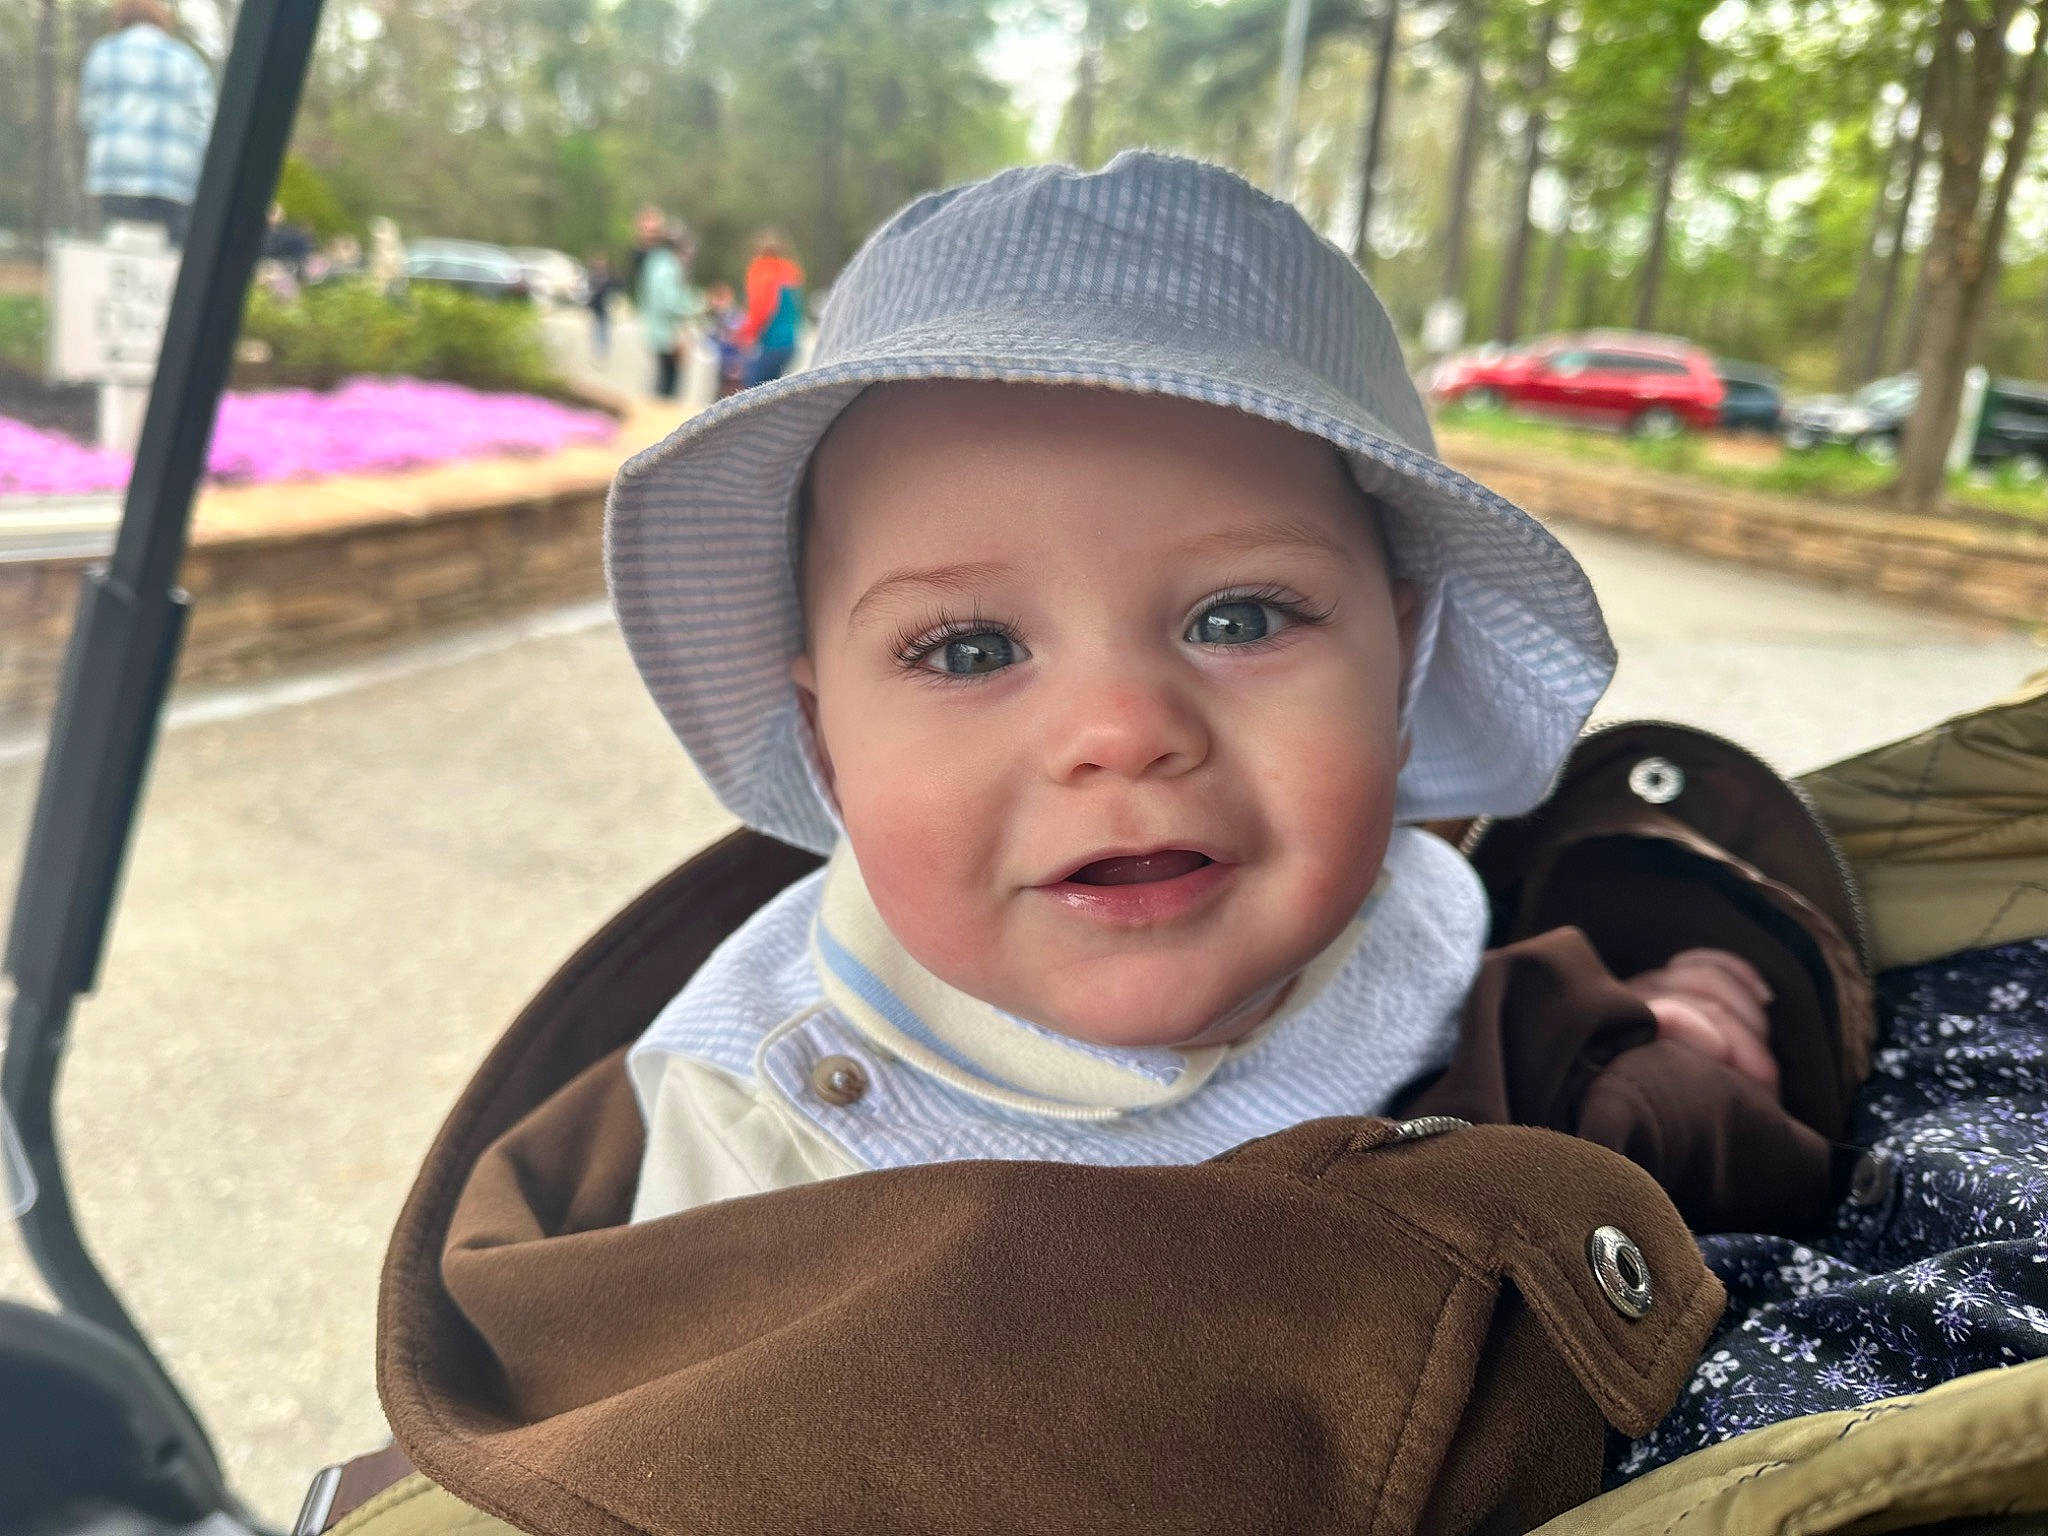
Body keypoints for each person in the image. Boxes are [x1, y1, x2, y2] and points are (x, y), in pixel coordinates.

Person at [354, 155, 1897, 1535]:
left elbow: (1551, 1100)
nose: (1120, 731)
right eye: (965, 649)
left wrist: (1675, 1054)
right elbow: (668, 1459)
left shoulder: (1427, 919)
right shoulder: (755, 1125)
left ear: (1402, 661)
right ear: (825, 738)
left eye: (1241, 618)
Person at [78, 0, 215, 248]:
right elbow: (205, 121)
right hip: (172, 184)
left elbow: (88, 115)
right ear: (161, 20)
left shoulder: (103, 54)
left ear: (121, 20)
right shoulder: (186, 60)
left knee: (116, 243)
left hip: (114, 179)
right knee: (172, 251)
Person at [634, 224, 699, 401]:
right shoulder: (669, 266)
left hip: (656, 329)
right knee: (669, 382)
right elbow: (670, 302)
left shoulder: (653, 263)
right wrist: (696, 306)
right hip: (668, 333)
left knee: (661, 377)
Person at [736, 230, 805, 387]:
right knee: (770, 394)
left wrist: (744, 335)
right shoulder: (790, 273)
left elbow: (761, 309)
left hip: (771, 344)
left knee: (750, 397)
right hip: (790, 344)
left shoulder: (762, 271)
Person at [585, 253, 616, 363]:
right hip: (596, 308)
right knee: (596, 330)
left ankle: (604, 351)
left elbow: (613, 293)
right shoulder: (592, 278)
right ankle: (597, 352)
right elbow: (589, 293)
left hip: (605, 308)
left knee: (604, 330)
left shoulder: (609, 278)